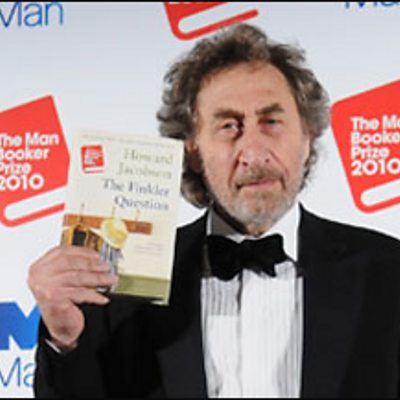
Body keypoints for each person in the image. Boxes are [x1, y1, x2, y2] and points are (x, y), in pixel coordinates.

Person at [28, 23, 400, 398]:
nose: (254, 153)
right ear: (192, 149)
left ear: (306, 137)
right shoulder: (121, 280)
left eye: (271, 122)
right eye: (229, 126)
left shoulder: (389, 271)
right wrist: (64, 339)